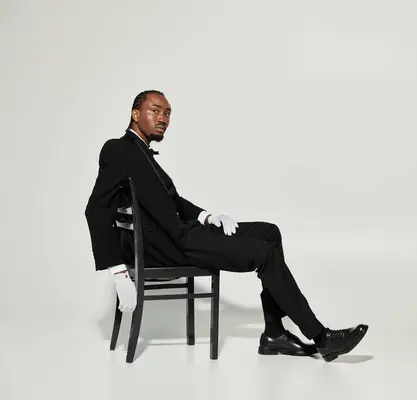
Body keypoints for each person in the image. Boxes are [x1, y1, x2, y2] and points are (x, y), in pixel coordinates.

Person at [84, 90, 368, 362]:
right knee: (264, 254)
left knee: (269, 232)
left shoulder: (143, 153)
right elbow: (95, 209)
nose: (163, 118)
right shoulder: (118, 149)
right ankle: (321, 337)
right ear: (135, 114)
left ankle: (274, 334)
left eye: (168, 113)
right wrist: (119, 271)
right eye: (155, 111)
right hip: (173, 245)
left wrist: (207, 216)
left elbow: (171, 201)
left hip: (184, 234)